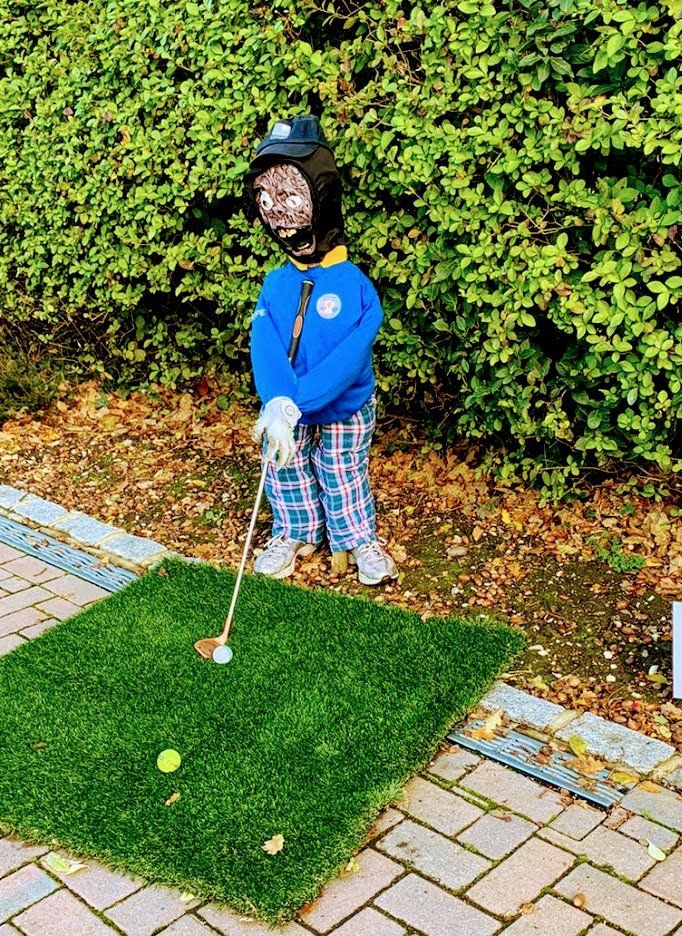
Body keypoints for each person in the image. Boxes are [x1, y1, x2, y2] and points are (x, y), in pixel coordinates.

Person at [244, 115, 398, 586]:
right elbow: (264, 343)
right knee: (284, 467)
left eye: (291, 197)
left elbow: (348, 361)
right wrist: (276, 402)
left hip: (344, 409)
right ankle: (295, 531)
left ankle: (356, 538)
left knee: (341, 469)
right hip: (286, 408)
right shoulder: (275, 283)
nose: (279, 215)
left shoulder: (354, 286)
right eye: (267, 200)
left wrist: (299, 400)